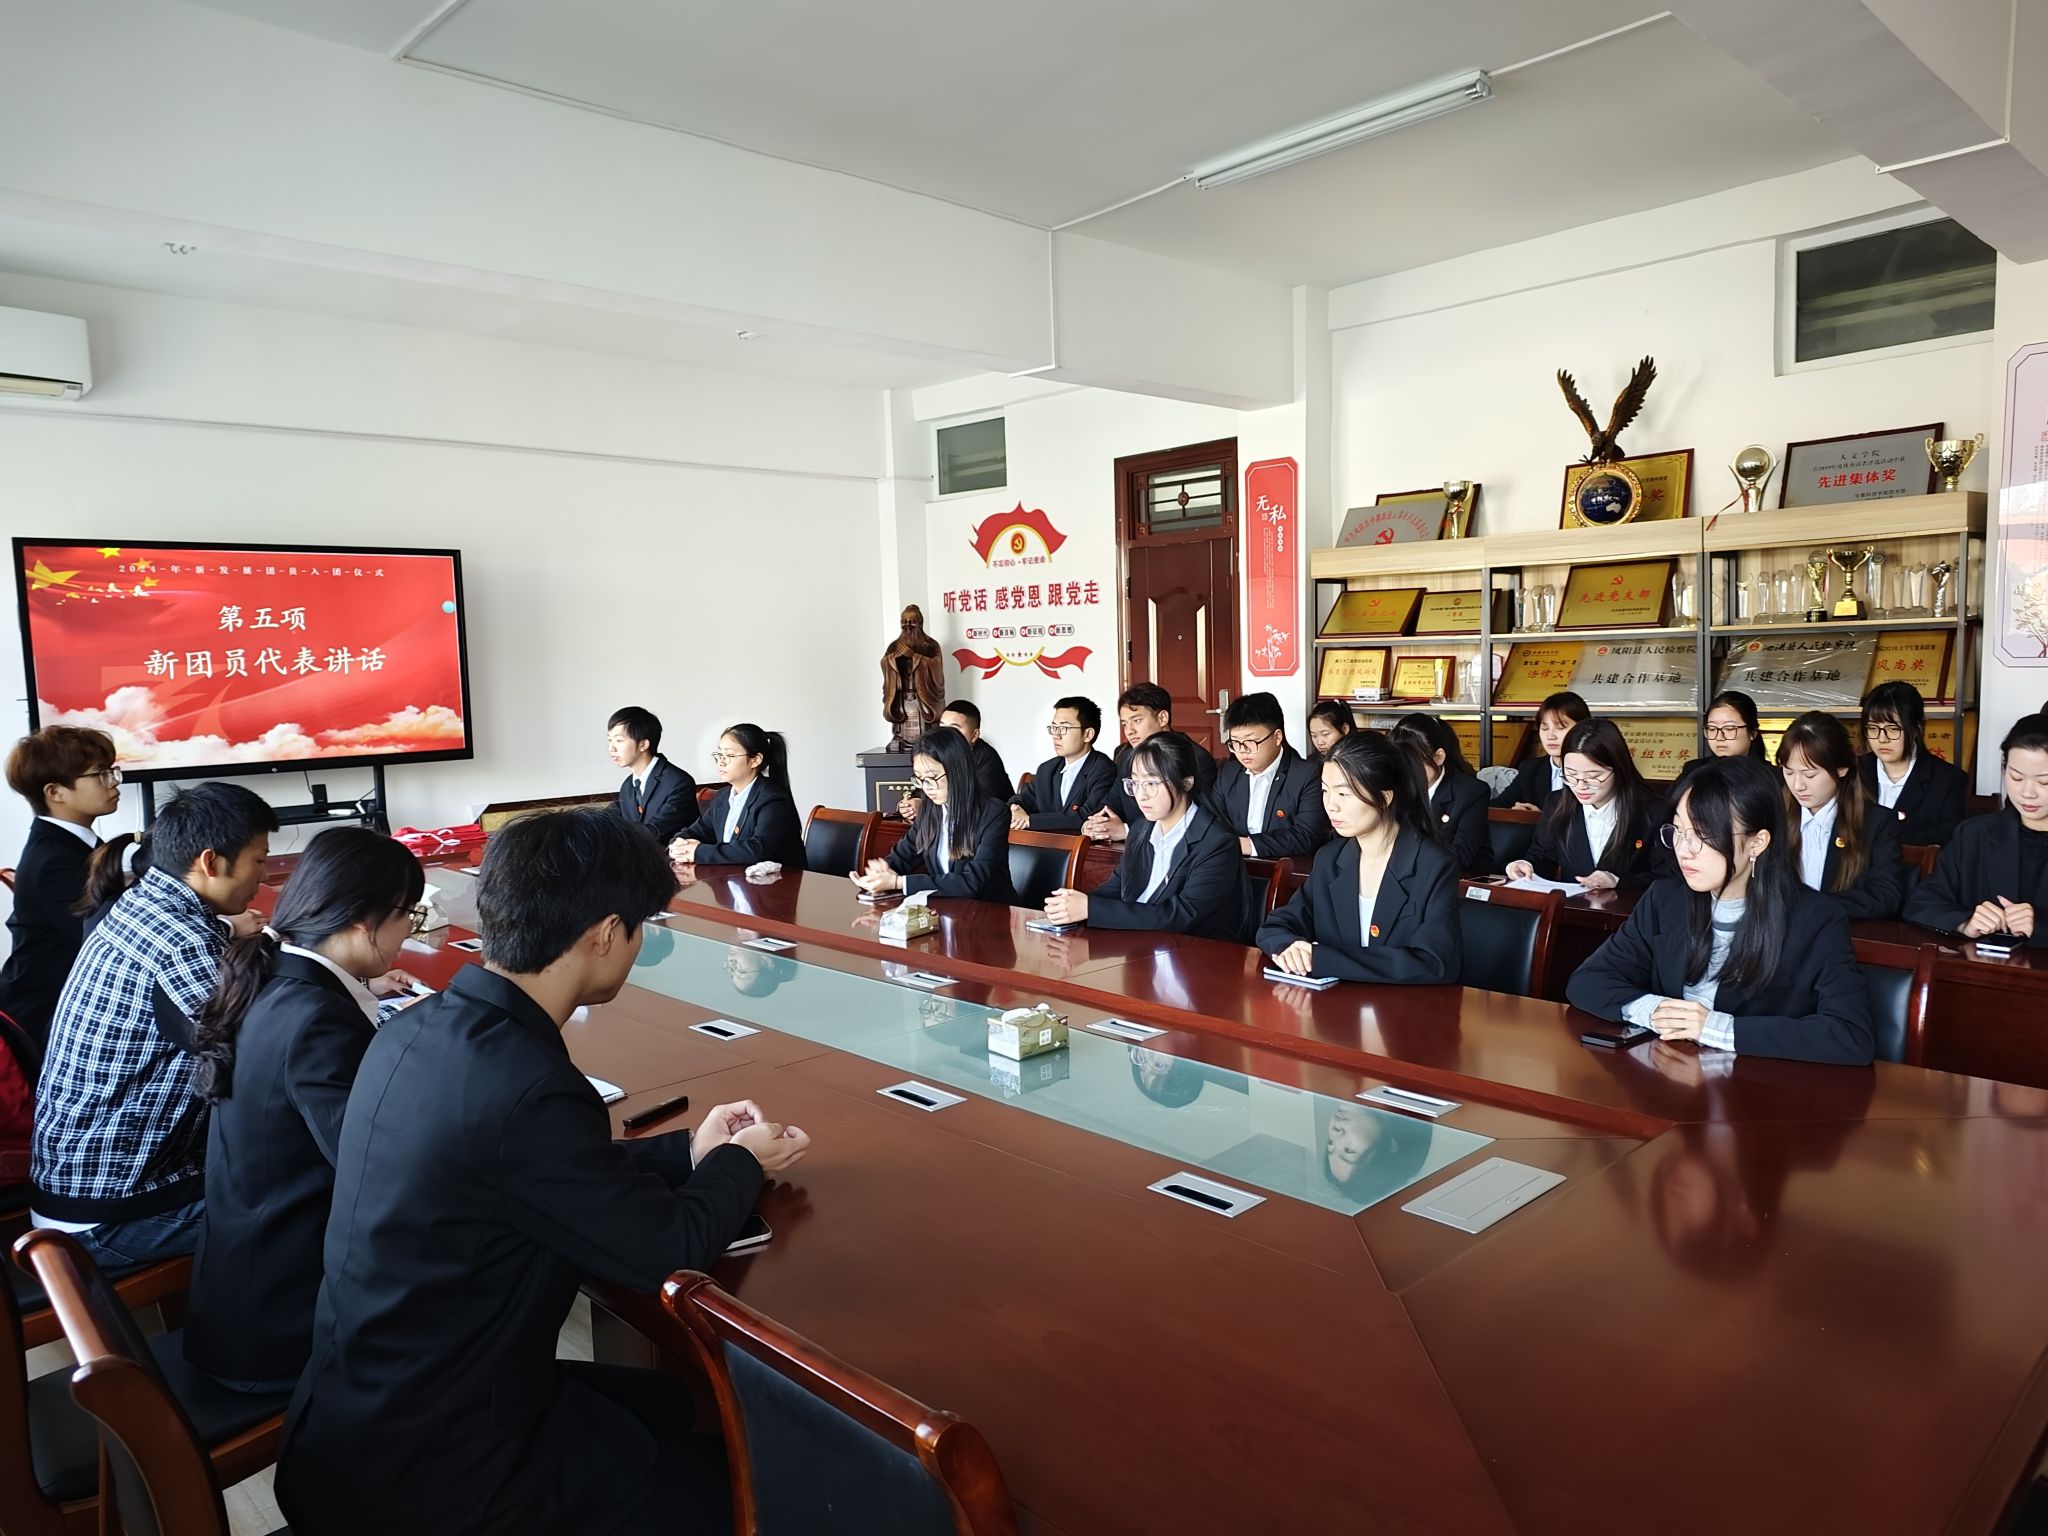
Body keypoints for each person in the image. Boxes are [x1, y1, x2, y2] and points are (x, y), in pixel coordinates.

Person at [276, 809, 811, 1536]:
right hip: (438, 1465)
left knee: (665, 1405)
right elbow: (667, 1247)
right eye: (641, 928)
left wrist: (689, 1150)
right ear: (605, 934)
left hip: (353, 1413)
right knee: (751, 1493)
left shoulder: (422, 1028)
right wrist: (739, 1161)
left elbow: (533, 1170)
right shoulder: (528, 1083)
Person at [184, 828, 426, 1391]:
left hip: (245, 1290)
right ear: (363, 919)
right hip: (280, 1328)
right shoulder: (317, 1017)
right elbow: (377, 1172)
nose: (409, 931)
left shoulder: (275, 976)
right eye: (407, 915)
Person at [29, 781, 278, 1267]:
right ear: (211, 862)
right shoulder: (183, 942)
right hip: (106, 1216)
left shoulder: (145, 902)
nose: (264, 876)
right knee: (319, 1195)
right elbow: (269, 1057)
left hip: (76, 1185)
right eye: (259, 860)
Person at [1567, 756, 1875, 1065]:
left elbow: (1850, 1035)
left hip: (1754, 1084)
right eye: (1678, 830)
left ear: (1757, 842)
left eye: (1703, 835)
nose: (1684, 849)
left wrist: (1716, 1028)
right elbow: (1587, 980)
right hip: (1666, 1073)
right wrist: (1656, 1011)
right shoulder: (1664, 899)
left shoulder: (1816, 919)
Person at [1255, 731, 1461, 985]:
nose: (1331, 805)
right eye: (1325, 791)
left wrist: (1323, 959)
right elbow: (1275, 927)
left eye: (1344, 794)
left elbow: (1435, 963)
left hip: (1405, 1007)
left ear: (1384, 797)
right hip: (1337, 1004)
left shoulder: (1433, 865)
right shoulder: (1330, 859)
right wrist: (1291, 947)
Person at [1043, 730, 1252, 943]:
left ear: (1186, 783)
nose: (1141, 795)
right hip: (1140, 945)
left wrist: (1092, 909)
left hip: (1194, 952)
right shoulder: (1142, 829)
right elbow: (1116, 887)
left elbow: (1181, 916)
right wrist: (1075, 906)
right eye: (1135, 783)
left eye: (1151, 784)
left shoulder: (1217, 841)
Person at [1, 726, 121, 1050]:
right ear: (55, 792)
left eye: (112, 771)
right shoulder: (54, 861)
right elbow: (114, 939)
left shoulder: (75, 844)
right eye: (100, 774)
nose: (114, 782)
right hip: (48, 1018)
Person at [1905, 714, 2048, 946]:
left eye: (2044, 782)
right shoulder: (1974, 835)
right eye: (2016, 777)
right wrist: (1964, 922)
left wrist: (2040, 926)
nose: (2027, 793)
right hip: (1980, 966)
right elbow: (1922, 903)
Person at [853, 725, 1015, 903]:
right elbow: (903, 857)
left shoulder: (994, 814)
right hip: (947, 910)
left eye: (932, 778)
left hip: (990, 912)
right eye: (920, 779)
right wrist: (882, 872)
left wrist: (898, 882)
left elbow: (971, 882)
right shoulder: (930, 809)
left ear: (958, 771)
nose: (926, 788)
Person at [1776, 711, 1903, 920]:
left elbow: (1885, 895)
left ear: (1842, 769)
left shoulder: (1876, 823)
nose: (1797, 785)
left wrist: (1814, 907)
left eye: (1810, 774)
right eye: (1789, 772)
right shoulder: (1774, 817)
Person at [1505, 717, 1656, 889]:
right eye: (1571, 774)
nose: (1580, 786)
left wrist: (1618, 881)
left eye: (1593, 777)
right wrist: (1526, 867)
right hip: (1571, 904)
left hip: (1631, 905)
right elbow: (1543, 857)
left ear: (1619, 768)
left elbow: (1666, 878)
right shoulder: (1556, 803)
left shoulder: (1653, 811)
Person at [1083, 683, 1215, 843]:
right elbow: (1110, 803)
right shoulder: (1126, 755)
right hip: (1133, 849)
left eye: (1137, 720)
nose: (1129, 730)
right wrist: (1094, 824)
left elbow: (1194, 821)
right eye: (1124, 724)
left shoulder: (1195, 759)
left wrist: (1127, 831)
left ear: (1162, 718)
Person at [669, 723, 804, 870]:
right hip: (733, 878)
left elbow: (757, 850)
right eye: (719, 754)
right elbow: (696, 831)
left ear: (755, 760)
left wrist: (698, 852)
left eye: (730, 755)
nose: (721, 762)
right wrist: (678, 844)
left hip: (777, 880)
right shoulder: (722, 797)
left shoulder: (773, 800)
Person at [1214, 692, 1331, 859]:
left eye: (1251, 742)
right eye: (1235, 742)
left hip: (1285, 864)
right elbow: (1213, 822)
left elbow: (1306, 835)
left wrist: (1243, 845)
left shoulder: (1306, 774)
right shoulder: (1228, 773)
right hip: (1232, 863)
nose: (1242, 750)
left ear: (1277, 737)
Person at [1858, 680, 1968, 848]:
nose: (1882, 738)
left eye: (1893, 729)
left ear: (1917, 729)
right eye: (1873, 728)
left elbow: (1948, 837)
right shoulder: (1855, 771)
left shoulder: (1948, 780)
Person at [1389, 715, 1492, 874]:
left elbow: (1460, 856)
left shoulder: (1471, 792)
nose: (1406, 773)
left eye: (1413, 764)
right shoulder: (1394, 788)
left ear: (1439, 757)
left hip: (1459, 879)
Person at [1009, 696, 1115, 832]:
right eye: (1054, 727)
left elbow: (1085, 817)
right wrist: (1014, 810)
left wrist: (1030, 820)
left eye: (1064, 728)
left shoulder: (1104, 770)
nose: (1056, 735)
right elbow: (1021, 800)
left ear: (1088, 734)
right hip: (1044, 843)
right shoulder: (1047, 769)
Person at [899, 699, 1011, 824]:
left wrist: (925, 804)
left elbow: (978, 801)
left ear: (974, 735)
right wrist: (916, 802)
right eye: (942, 727)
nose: (945, 734)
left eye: (954, 729)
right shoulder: (937, 754)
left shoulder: (986, 757)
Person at [607, 705, 697, 846]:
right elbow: (608, 818)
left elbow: (656, 832)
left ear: (643, 744)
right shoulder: (628, 785)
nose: (611, 748)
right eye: (610, 740)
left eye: (618, 740)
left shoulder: (678, 783)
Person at [1492, 691, 1589, 811]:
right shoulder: (1531, 769)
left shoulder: (1595, 772)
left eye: (1560, 728)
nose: (1550, 736)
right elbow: (1498, 806)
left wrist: (1540, 817)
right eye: (1544, 728)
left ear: (1583, 728)